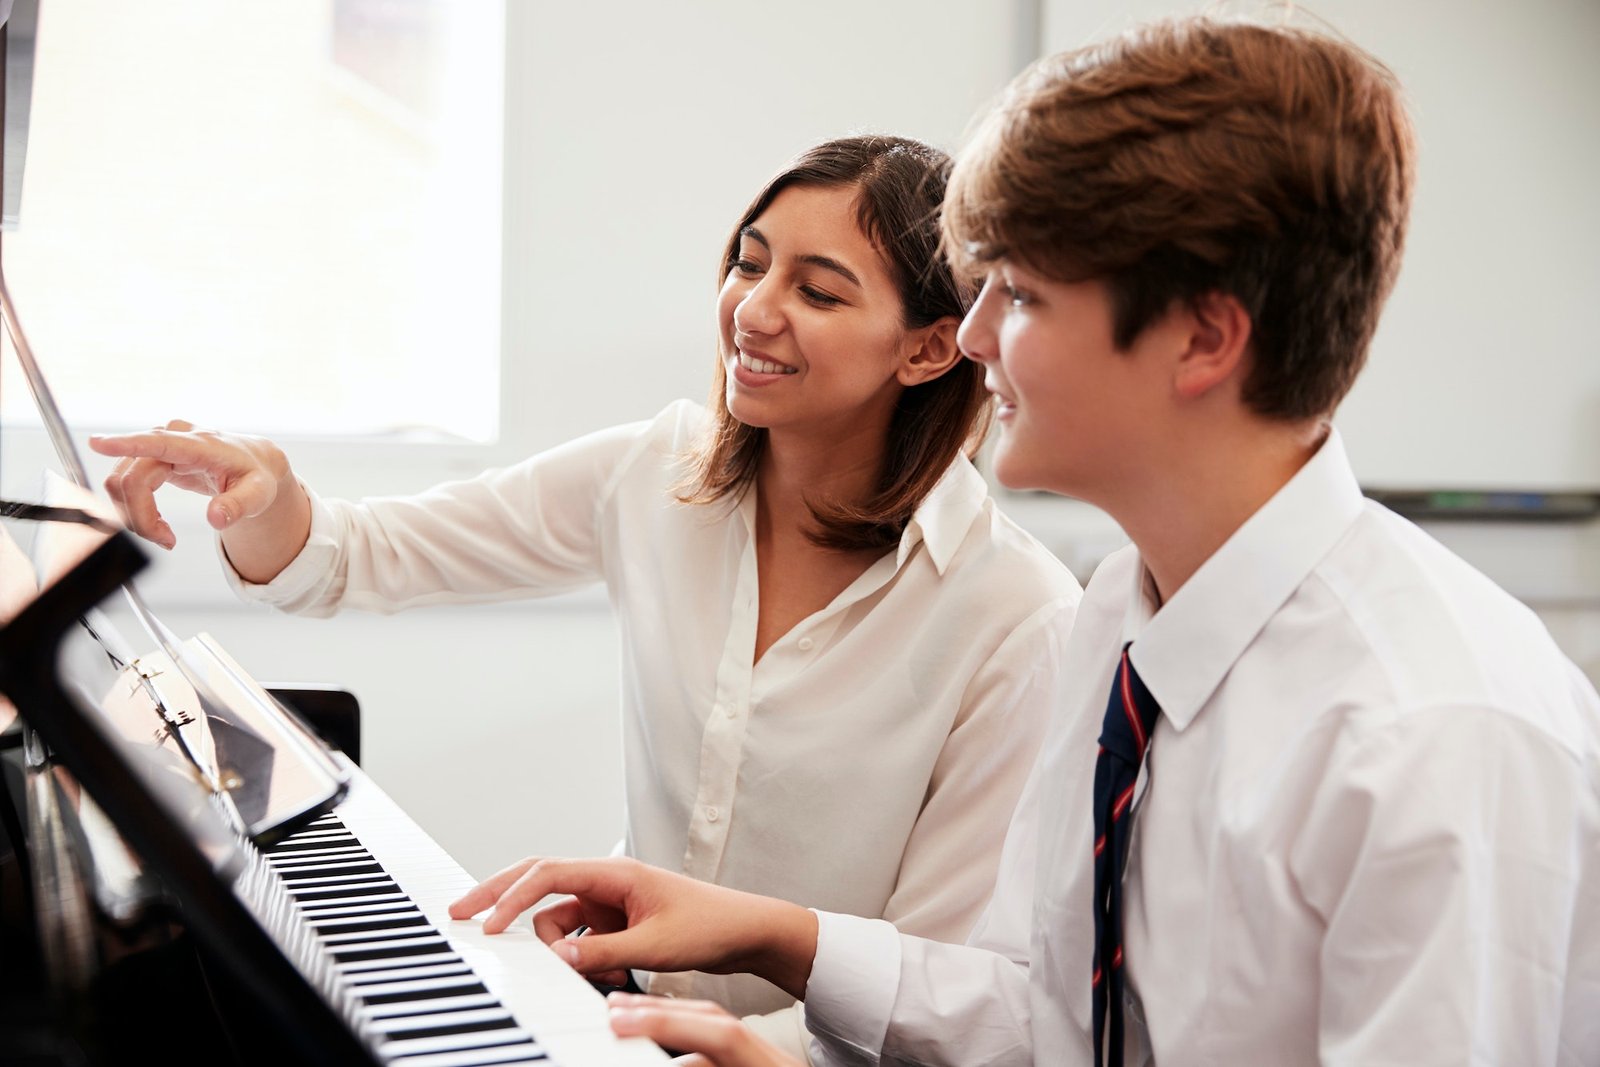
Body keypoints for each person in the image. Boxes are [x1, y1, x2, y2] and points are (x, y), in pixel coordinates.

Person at [445, 14, 1600, 1066]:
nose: (977, 337)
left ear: (1203, 338)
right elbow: (1046, 1010)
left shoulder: (1432, 735)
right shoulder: (1122, 612)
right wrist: (768, 939)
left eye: (1023, 296)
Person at [88, 135, 1086, 1060]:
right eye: (748, 262)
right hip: (612, 1015)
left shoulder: (1017, 615)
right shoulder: (652, 471)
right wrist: (263, 497)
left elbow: (946, 979)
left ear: (926, 349)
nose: (753, 308)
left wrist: (729, 1042)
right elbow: (359, 554)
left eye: (818, 291)